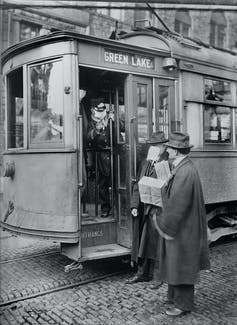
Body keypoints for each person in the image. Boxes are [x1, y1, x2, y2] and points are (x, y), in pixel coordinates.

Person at [153, 132, 210, 317]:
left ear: (176, 151)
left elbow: (178, 203)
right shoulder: (183, 167)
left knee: (182, 263)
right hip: (184, 226)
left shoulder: (185, 171)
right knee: (175, 262)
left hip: (183, 228)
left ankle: (183, 305)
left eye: (169, 148)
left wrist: (162, 222)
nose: (167, 150)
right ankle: (173, 297)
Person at [126, 131, 169, 286]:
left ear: (163, 147)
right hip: (144, 207)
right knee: (143, 241)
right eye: (152, 145)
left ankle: (158, 275)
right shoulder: (146, 162)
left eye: (156, 145)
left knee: (156, 242)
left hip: (158, 209)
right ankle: (143, 273)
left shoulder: (167, 163)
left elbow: (168, 187)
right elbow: (138, 183)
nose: (153, 148)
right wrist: (134, 205)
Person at [87, 100, 113, 218]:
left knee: (117, 182)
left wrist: (114, 120)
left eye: (103, 110)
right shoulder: (92, 123)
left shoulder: (110, 119)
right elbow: (88, 138)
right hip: (100, 157)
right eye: (99, 110)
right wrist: (97, 130)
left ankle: (119, 206)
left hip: (114, 155)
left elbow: (123, 128)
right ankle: (105, 208)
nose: (102, 113)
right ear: (93, 110)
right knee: (102, 184)